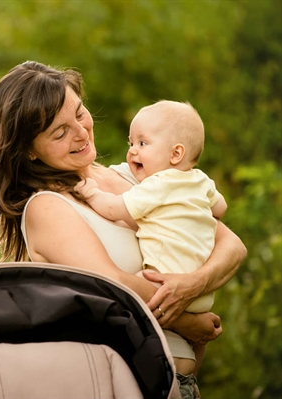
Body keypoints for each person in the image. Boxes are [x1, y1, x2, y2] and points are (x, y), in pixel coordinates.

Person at [0, 61, 246, 399]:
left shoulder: (135, 175)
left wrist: (191, 285)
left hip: (180, 385)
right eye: (59, 132)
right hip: (122, 387)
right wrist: (185, 321)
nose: (81, 133)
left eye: (79, 114)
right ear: (28, 151)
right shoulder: (47, 207)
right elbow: (110, 283)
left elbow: (231, 245)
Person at [74, 99, 228, 376]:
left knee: (126, 290)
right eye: (131, 143)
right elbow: (221, 208)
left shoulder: (157, 185)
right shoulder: (201, 181)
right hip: (203, 296)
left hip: (164, 281)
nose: (132, 151)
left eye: (142, 144)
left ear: (176, 153)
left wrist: (91, 193)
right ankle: (192, 368)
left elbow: (114, 208)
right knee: (193, 346)